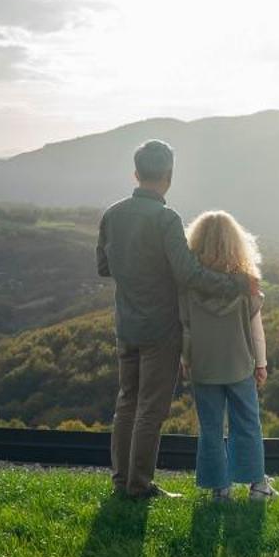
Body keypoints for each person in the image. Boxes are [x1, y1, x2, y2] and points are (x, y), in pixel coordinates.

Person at [97, 139, 249, 500]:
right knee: (151, 407)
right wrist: (233, 284)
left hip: (126, 324)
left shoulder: (112, 214)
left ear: (136, 173)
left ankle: (121, 480)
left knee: (126, 401)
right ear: (168, 176)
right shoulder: (166, 219)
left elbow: (103, 267)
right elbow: (188, 274)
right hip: (160, 328)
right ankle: (139, 484)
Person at [180, 210, 274, 502]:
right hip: (240, 363)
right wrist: (261, 363)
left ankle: (220, 488)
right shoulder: (246, 285)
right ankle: (257, 486)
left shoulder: (187, 286)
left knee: (210, 426)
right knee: (247, 422)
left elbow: (184, 327)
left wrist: (185, 359)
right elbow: (256, 330)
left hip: (204, 365)